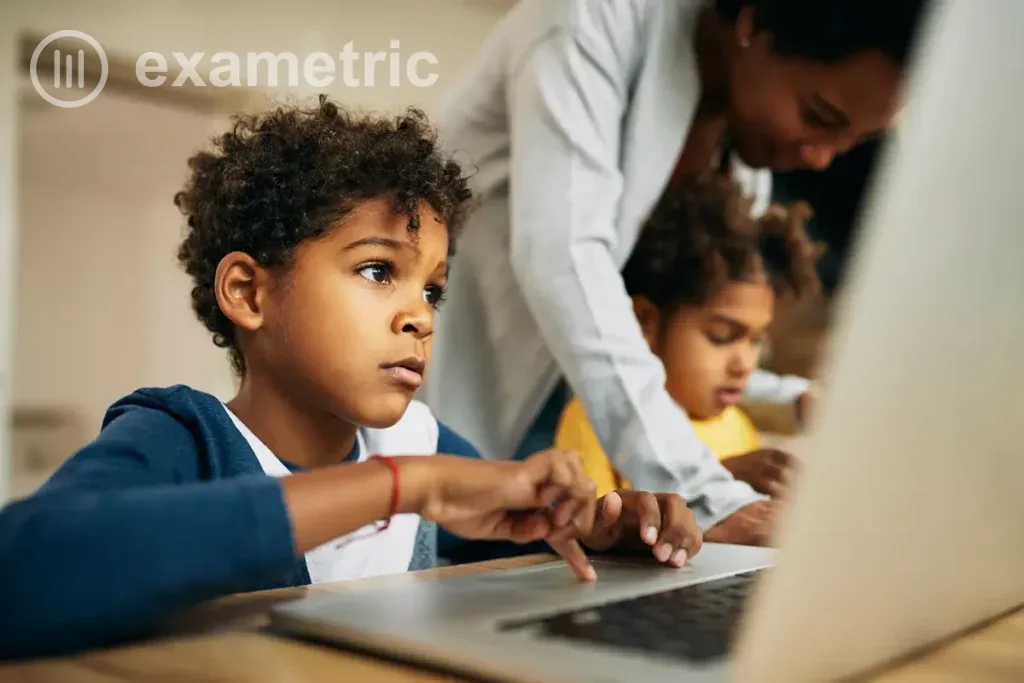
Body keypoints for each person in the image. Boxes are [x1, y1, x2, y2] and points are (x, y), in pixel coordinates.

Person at [0, 97, 703, 661]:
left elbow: (512, 536)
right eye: (377, 270)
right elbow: (24, 570)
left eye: (433, 290)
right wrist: (406, 485)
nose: (419, 317)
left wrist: (605, 526)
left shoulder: (421, 440)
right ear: (248, 292)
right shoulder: (185, 437)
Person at [425, 0, 926, 542]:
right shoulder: (587, 20)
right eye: (820, 116)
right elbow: (566, 262)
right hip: (468, 419)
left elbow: (673, 350)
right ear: (754, 21)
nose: (823, 157)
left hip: (574, 473)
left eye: (855, 139)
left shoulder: (740, 140)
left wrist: (787, 400)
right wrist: (708, 493)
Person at [556, 174, 823, 501]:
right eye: (721, 337)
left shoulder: (736, 425)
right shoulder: (592, 422)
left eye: (755, 342)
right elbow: (591, 531)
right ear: (645, 323)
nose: (745, 364)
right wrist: (721, 481)